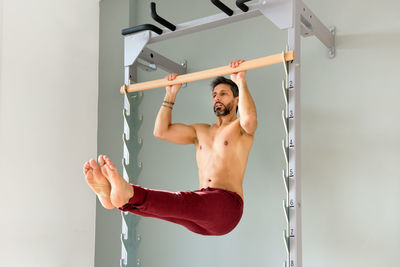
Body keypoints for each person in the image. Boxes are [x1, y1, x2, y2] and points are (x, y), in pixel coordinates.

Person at [83, 59, 257, 236]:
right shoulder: (200, 130)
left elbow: (249, 119)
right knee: (166, 211)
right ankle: (118, 199)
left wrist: (240, 81)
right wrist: (170, 94)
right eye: (214, 95)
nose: (217, 98)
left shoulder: (240, 129)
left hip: (226, 207)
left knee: (179, 202)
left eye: (223, 94)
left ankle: (127, 192)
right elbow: (161, 131)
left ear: (236, 100)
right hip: (204, 213)